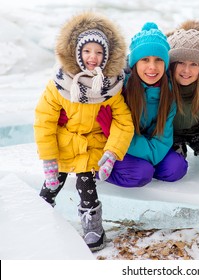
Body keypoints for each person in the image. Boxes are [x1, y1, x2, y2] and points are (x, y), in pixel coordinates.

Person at [34, 11, 134, 252]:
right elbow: (44, 119)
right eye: (87, 51)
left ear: (106, 56)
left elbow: (124, 122)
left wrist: (111, 153)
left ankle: (92, 226)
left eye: (99, 52)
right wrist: (49, 157)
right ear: (78, 53)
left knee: (86, 184)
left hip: (91, 147)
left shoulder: (110, 87)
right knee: (51, 183)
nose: (93, 57)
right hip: (63, 146)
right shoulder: (59, 84)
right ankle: (36, 214)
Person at [103, 22, 188, 188]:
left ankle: (143, 166)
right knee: (141, 174)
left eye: (158, 60)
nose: (152, 67)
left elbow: (163, 140)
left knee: (177, 168)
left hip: (145, 146)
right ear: (135, 63)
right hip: (118, 147)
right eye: (145, 59)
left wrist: (149, 153)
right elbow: (118, 135)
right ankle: (99, 170)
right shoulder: (120, 88)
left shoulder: (168, 92)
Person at [166, 20, 199, 165]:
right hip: (171, 133)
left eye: (193, 64)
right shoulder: (163, 81)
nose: (186, 71)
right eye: (181, 63)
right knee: (175, 163)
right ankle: (179, 144)